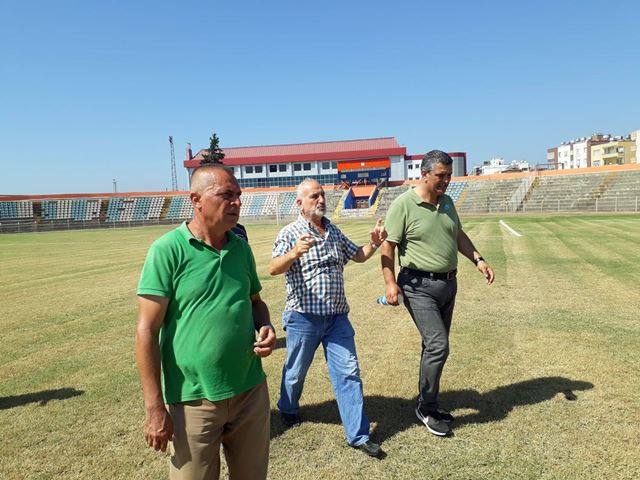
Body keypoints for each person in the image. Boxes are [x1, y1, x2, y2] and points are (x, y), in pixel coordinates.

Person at [135, 165, 276, 480]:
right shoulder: (167, 251)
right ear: (196, 199)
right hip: (192, 399)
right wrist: (154, 406)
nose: (236, 202)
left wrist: (265, 325)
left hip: (250, 391)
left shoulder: (241, 249)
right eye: (226, 195)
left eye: (238, 195)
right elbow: (146, 330)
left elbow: (255, 303)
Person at [268, 179, 387, 458]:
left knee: (348, 372)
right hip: (303, 318)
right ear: (300, 203)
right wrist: (295, 252)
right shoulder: (290, 233)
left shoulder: (332, 230)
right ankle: (287, 407)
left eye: (322, 194)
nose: (321, 199)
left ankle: (358, 435)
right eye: (314, 196)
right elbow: (273, 267)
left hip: (336, 319)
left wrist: (373, 243)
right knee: (296, 372)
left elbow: (357, 256)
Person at [380, 150, 495, 437]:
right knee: (438, 345)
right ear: (425, 174)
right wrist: (390, 283)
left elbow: (458, 235)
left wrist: (478, 260)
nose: (446, 181)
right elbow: (388, 247)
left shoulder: (447, 203)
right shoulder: (404, 204)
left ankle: (427, 400)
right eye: (441, 176)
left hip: (448, 285)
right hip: (418, 287)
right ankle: (426, 407)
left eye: (449, 175)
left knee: (432, 347)